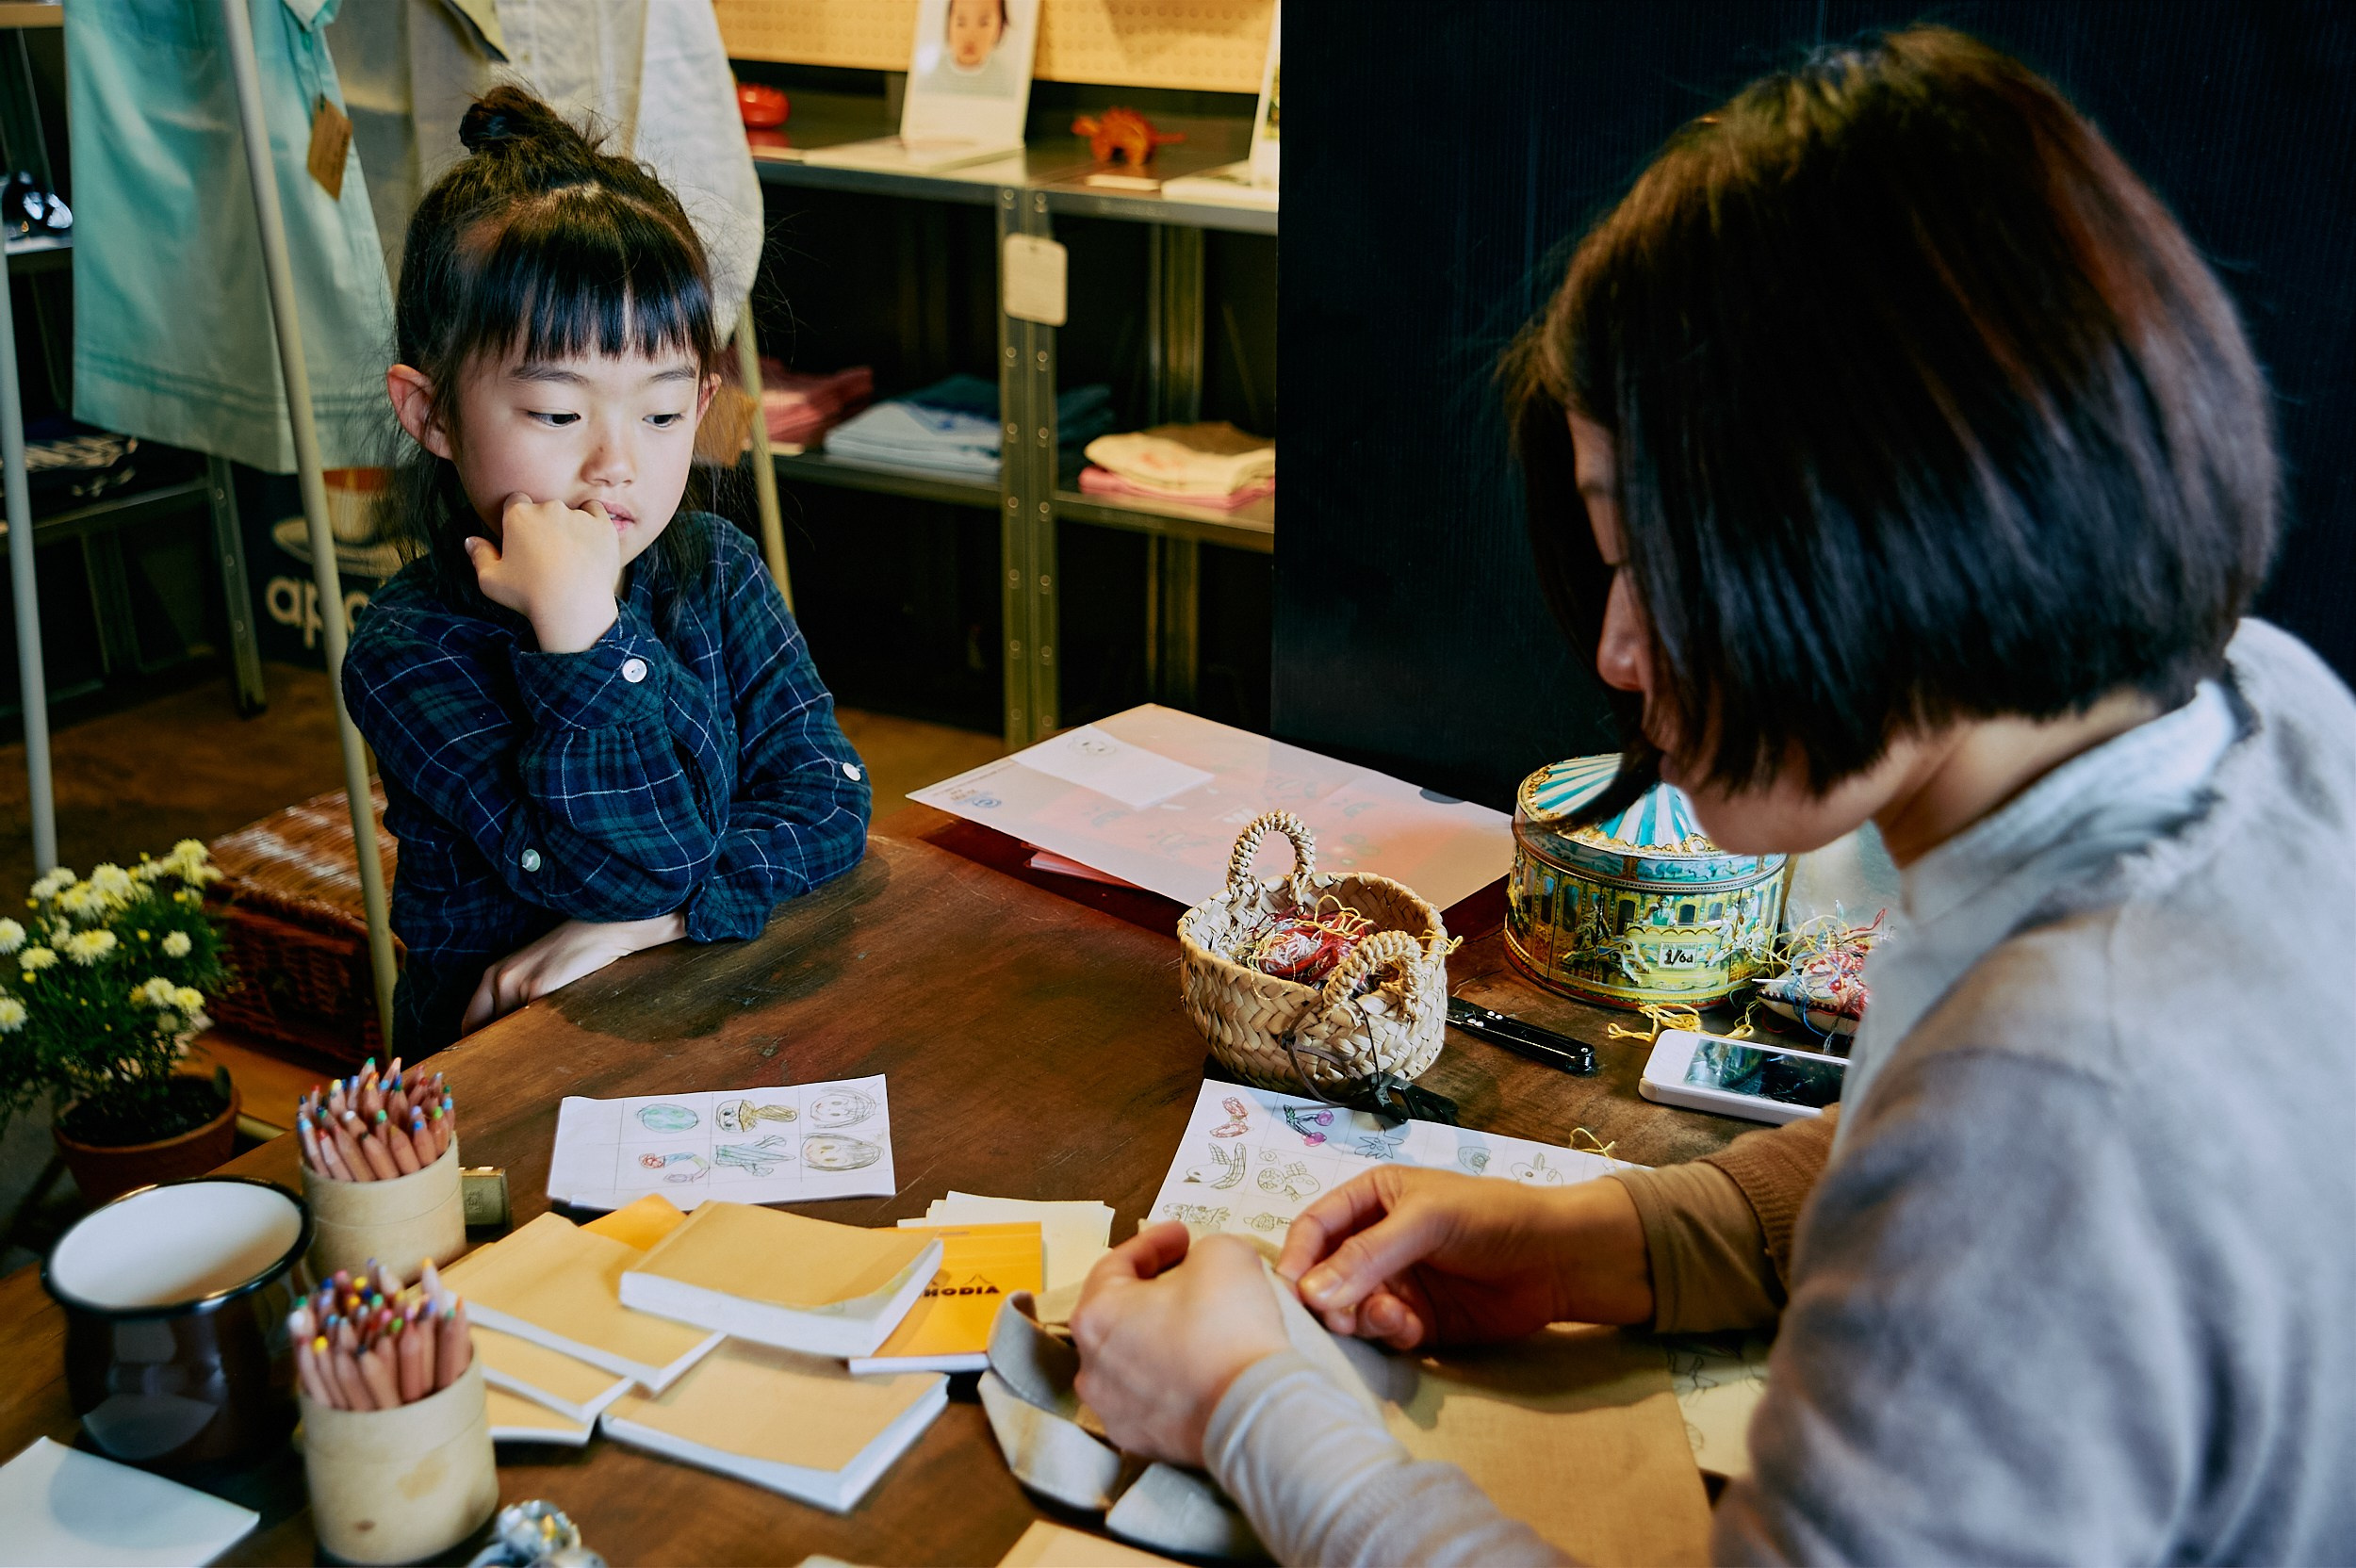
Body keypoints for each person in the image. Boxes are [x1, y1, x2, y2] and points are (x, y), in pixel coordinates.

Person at [1068, 26, 2356, 1565]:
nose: (1615, 650)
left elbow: (2012, 1159)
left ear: (1892, 513)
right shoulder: (2266, 707)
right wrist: (1615, 1235)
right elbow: (1940, 1156)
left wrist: (1248, 1403)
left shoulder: (2066, 1094)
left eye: (1648, 557)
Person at [342, 88, 870, 1054]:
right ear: (431, 415)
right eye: (556, 413)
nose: (616, 463)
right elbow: (637, 867)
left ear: (702, 400)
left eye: (662, 414)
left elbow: (829, 802)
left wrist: (659, 923)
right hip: (512, 1065)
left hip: (711, 1002)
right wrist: (582, 632)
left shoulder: (716, 567)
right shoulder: (409, 651)